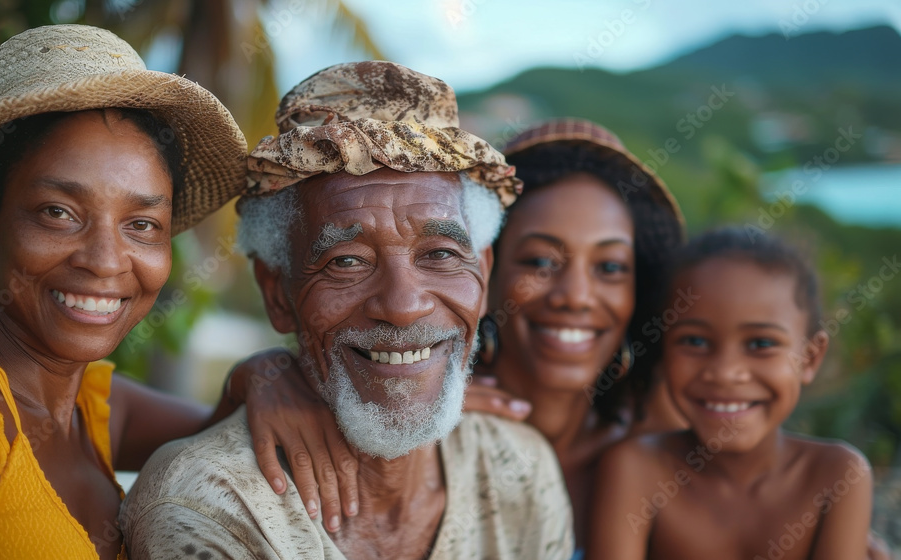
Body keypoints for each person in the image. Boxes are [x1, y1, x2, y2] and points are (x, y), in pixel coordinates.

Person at [119, 61, 573, 559]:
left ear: (483, 274)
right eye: (347, 262)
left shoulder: (521, 469)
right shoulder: (207, 506)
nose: (403, 306)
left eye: (440, 254)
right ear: (276, 294)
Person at [225, 119, 687, 551]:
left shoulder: (666, 441)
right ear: (489, 270)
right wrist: (265, 376)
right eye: (540, 262)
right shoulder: (398, 409)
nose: (576, 296)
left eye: (610, 267)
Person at [0, 25, 248, 559]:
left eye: (141, 224)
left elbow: (235, 432)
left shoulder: (95, 407)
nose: (106, 261)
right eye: (58, 213)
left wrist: (266, 376)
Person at [588, 228, 873, 560]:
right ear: (663, 352)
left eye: (760, 344)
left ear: (809, 358)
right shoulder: (637, 469)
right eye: (694, 341)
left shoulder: (837, 476)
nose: (725, 372)